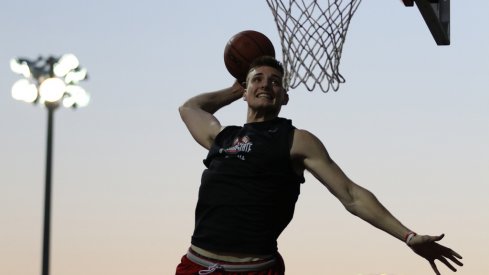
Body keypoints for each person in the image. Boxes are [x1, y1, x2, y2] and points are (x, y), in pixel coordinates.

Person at [176, 56, 463, 275]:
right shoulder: (222, 137)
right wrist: (235, 87)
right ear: (246, 91)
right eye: (257, 80)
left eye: (275, 81)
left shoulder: (295, 140)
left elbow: (351, 194)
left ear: (284, 96)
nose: (265, 84)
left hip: (254, 269)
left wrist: (408, 235)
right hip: (196, 264)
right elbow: (189, 108)